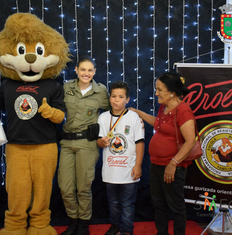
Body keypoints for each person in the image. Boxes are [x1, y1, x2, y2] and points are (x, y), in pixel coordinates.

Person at [129, 72, 196, 235]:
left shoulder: (183, 111)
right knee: (159, 204)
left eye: (160, 90)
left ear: (172, 92)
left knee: (176, 206)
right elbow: (159, 125)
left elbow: (190, 141)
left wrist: (173, 164)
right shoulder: (164, 107)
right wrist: (140, 113)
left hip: (172, 167)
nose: (156, 93)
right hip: (156, 165)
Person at [58, 55, 110, 235]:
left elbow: (111, 115)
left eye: (90, 70)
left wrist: (132, 118)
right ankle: (73, 220)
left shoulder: (101, 91)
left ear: (94, 72)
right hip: (66, 142)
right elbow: (57, 111)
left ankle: (83, 225)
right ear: (76, 70)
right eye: (83, 70)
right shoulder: (66, 88)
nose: (86, 73)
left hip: (87, 144)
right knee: (65, 187)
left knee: (83, 187)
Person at [97, 81, 145, 235]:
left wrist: (138, 165)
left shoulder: (134, 117)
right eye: (113, 96)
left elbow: (140, 143)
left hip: (129, 171)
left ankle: (126, 230)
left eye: (120, 97)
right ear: (109, 98)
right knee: (114, 203)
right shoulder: (103, 117)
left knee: (127, 204)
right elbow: (99, 140)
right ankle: (115, 226)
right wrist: (101, 142)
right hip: (110, 171)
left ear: (127, 99)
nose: (116, 100)